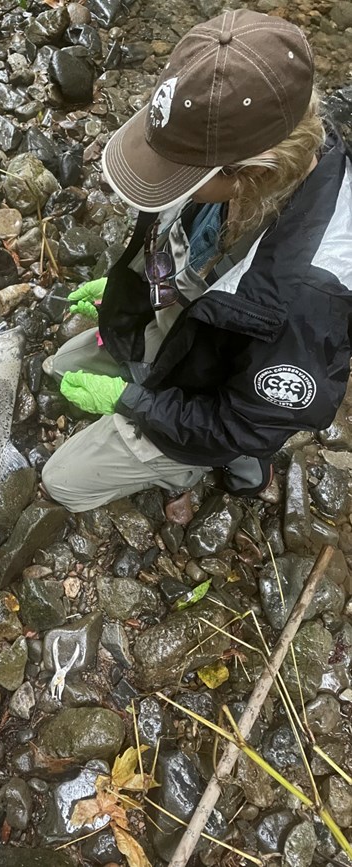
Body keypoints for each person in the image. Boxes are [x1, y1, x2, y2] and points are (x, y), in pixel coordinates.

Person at [42, 9, 352, 513]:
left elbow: (242, 423)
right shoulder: (242, 140)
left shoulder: (310, 300)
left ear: (251, 172)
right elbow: (186, 241)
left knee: (62, 483)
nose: (163, 179)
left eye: (179, 173)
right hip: (198, 328)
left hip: (221, 401)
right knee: (59, 369)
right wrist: (139, 287)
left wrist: (131, 402)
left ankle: (201, 468)